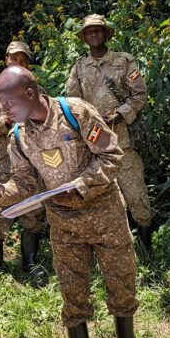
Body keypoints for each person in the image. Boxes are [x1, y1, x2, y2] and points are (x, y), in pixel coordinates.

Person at [0, 67, 152, 338]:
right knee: (72, 286)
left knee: (121, 277)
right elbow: (23, 181)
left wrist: (81, 183)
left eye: (8, 104)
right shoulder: (19, 136)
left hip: (104, 212)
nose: (5, 112)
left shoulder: (76, 112)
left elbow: (110, 155)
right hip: (63, 222)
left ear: (28, 92)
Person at [66, 14, 154, 253]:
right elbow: (72, 102)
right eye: (89, 31)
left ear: (106, 33)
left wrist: (120, 114)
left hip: (123, 141)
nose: (94, 34)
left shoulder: (123, 62)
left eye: (98, 30)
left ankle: (147, 252)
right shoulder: (79, 68)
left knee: (136, 195)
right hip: (95, 145)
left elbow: (140, 95)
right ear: (84, 37)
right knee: (101, 200)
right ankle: (110, 250)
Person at [0, 41, 47, 286]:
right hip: (2, 163)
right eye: (14, 59)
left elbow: (46, 120)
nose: (19, 63)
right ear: (6, 60)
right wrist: (4, 120)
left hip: (29, 160)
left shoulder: (34, 88)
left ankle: (30, 263)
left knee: (33, 210)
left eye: (24, 60)